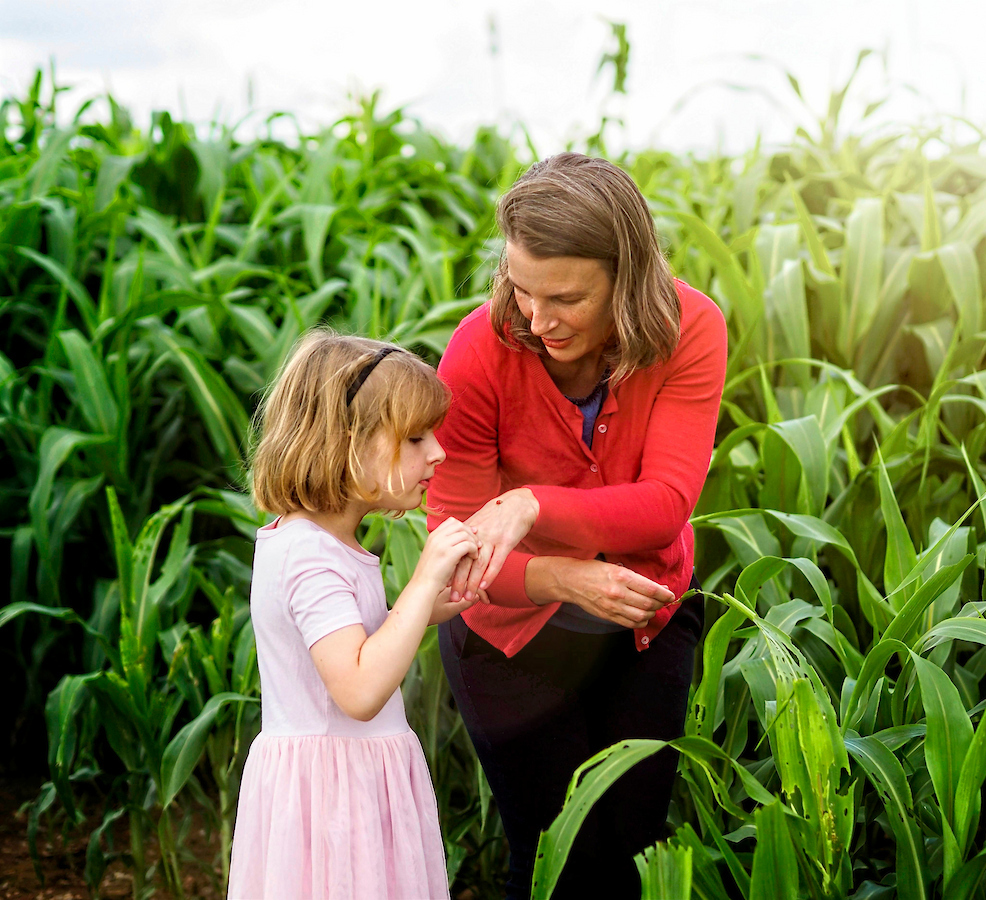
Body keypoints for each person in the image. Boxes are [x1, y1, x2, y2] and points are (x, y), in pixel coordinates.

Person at [428, 152, 727, 899]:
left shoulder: (691, 327)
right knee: (557, 858)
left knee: (632, 858)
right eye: (520, 288)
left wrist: (533, 504)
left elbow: (664, 504)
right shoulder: (477, 351)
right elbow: (456, 549)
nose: (536, 318)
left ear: (626, 279)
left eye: (564, 298)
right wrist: (560, 576)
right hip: (508, 636)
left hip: (640, 617)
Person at [228, 330, 483, 900]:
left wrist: (417, 612)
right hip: (334, 802)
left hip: (347, 785)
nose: (437, 453)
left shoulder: (315, 544)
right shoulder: (309, 555)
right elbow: (360, 691)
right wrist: (422, 581)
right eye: (415, 438)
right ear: (348, 443)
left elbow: (347, 650)